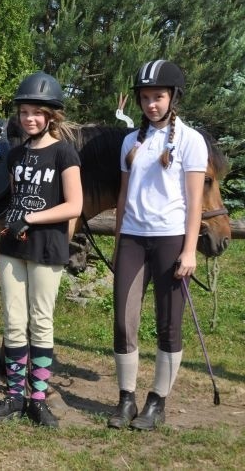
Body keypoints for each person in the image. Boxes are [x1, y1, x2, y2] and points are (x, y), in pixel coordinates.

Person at [107, 60, 207, 431]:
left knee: (168, 325)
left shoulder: (191, 141)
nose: (152, 104)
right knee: (123, 321)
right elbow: (122, 195)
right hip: (133, 238)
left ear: (173, 97)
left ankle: (157, 401)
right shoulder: (130, 141)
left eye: (159, 97)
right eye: (146, 97)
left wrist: (189, 249)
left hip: (170, 239)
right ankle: (127, 398)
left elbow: (194, 200)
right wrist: (118, 243)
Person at [0, 72, 82, 427]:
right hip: (13, 246)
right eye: (25, 112)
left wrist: (32, 216)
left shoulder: (64, 153)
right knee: (13, 323)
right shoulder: (16, 154)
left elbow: (74, 205)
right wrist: (12, 215)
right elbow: (14, 196)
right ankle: (13, 395)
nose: (30, 119)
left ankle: (37, 400)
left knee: (41, 323)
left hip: (47, 248)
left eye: (37, 113)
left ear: (51, 116)